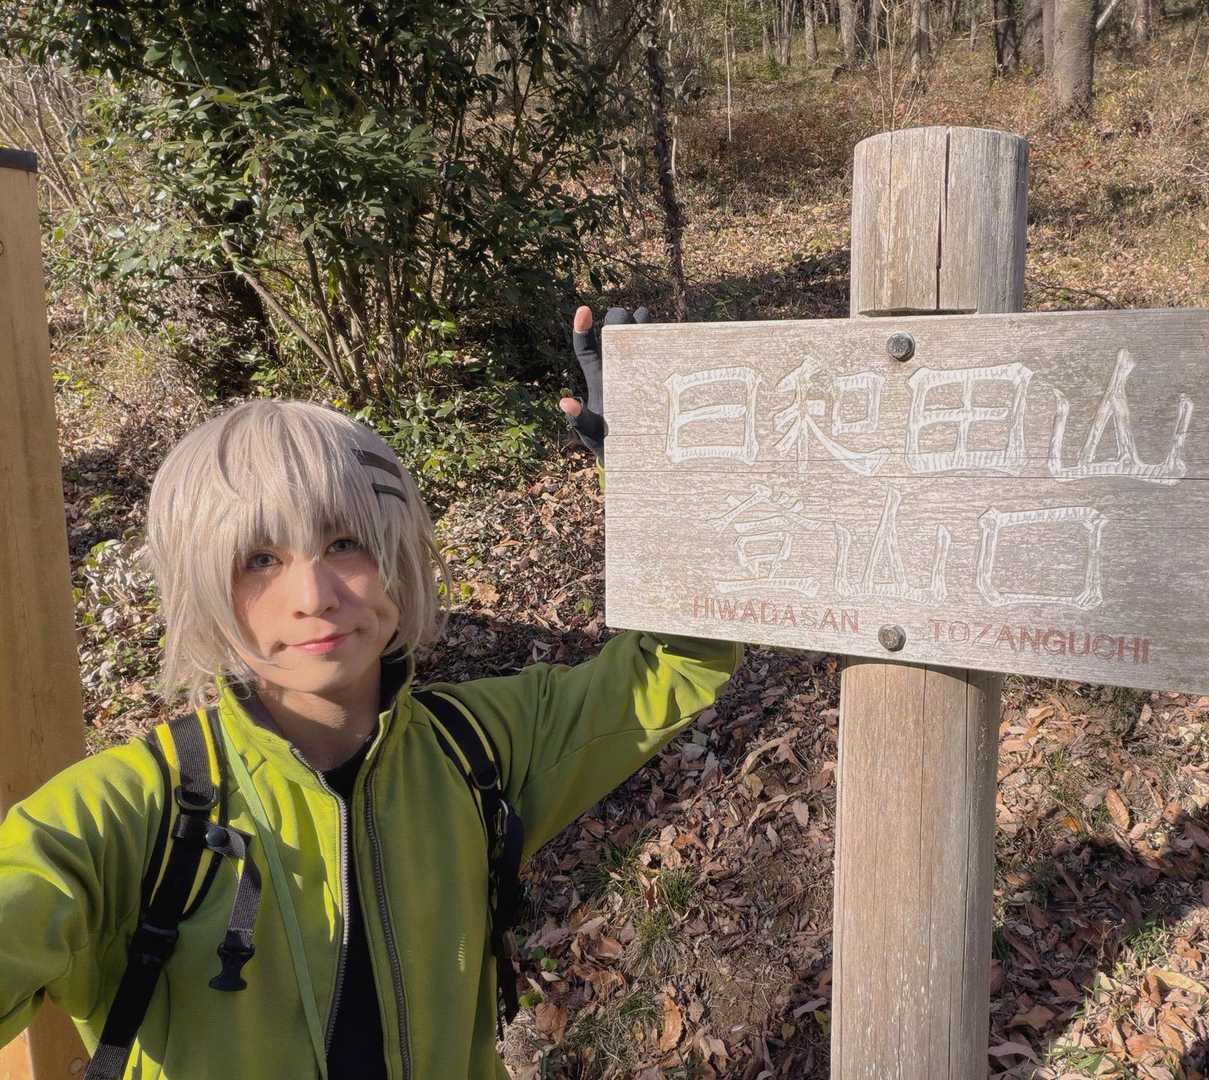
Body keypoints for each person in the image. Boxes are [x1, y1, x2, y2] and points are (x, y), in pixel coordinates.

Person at [0, 307, 740, 1078]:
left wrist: (657, 485)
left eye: (345, 543)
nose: (314, 596)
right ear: (202, 584)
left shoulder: (483, 747)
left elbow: (682, 658)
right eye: (259, 559)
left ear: (398, 555)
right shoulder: (122, 817)